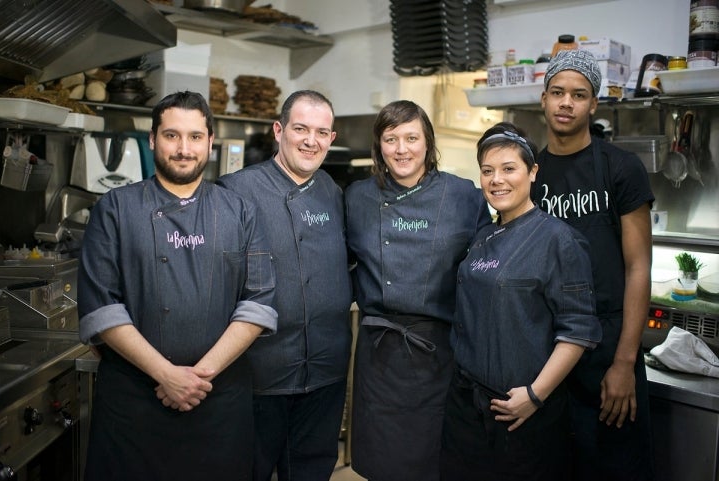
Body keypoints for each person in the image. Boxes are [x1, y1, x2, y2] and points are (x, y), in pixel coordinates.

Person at [77, 91, 278, 481]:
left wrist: (196, 377)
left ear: (210, 142)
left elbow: (257, 304)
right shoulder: (115, 209)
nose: (184, 149)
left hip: (217, 398)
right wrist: (166, 375)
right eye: (171, 136)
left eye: (195, 137)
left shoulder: (239, 211)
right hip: (134, 401)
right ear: (152, 139)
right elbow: (102, 307)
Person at [440, 122, 602, 481]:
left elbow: (577, 331)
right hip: (465, 408)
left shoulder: (559, 240)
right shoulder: (482, 235)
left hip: (522, 414)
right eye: (487, 171)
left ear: (532, 172)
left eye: (509, 169)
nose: (497, 179)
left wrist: (534, 395)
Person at [345, 100, 492, 481]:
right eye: (390, 139)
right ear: (379, 146)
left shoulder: (464, 197)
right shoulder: (356, 198)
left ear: (428, 142)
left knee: (434, 464)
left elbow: (485, 275)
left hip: (439, 354)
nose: (401, 149)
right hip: (379, 353)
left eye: (411, 138)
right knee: (381, 465)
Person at [530, 49, 655, 481]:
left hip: (607, 348)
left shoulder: (621, 169)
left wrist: (624, 363)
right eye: (558, 92)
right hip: (547, 348)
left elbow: (638, 268)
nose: (567, 103)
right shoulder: (530, 173)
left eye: (578, 95)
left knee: (614, 467)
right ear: (543, 98)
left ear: (593, 104)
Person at [217, 90, 353, 481]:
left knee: (311, 472)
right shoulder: (235, 191)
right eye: (301, 129)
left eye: (322, 132)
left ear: (332, 138)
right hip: (259, 375)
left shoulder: (333, 191)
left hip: (325, 372)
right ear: (279, 130)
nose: (311, 140)